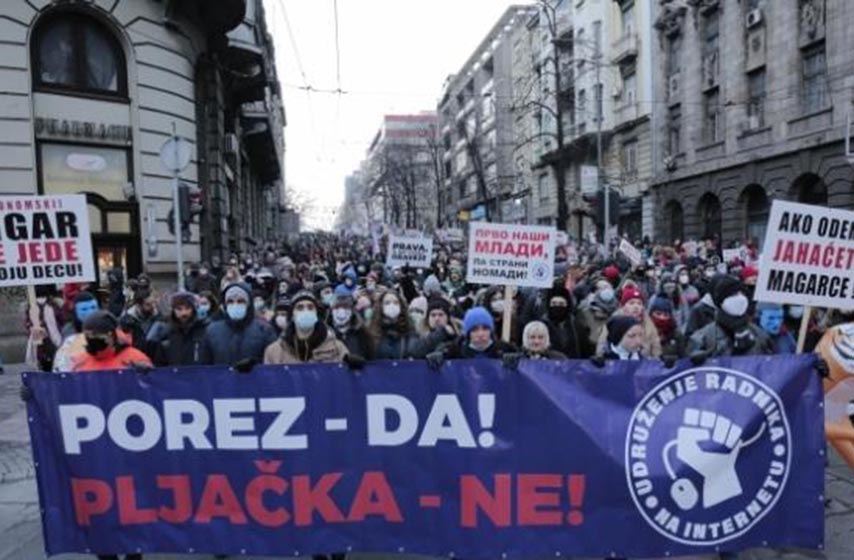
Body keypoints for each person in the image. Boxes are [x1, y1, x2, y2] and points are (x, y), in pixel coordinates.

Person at [687, 275, 771, 358]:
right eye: (733, 294)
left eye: (741, 294)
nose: (739, 298)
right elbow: (689, 361)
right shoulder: (703, 338)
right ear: (721, 302)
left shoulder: (759, 335)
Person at [200, 282, 277, 368]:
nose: (235, 305)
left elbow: (271, 366)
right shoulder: (212, 331)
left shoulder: (265, 330)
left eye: (240, 301)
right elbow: (205, 367)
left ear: (248, 304)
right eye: (230, 301)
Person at [263, 291, 352, 364]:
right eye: (300, 308)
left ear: (316, 313)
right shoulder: (274, 351)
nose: (306, 311)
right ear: (292, 314)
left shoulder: (337, 348)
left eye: (310, 307)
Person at [370, 290, 452, 359]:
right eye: (387, 303)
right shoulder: (372, 333)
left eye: (395, 302)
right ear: (380, 307)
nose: (392, 305)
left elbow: (417, 349)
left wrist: (441, 333)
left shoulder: (408, 330)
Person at [72, 311, 153, 373]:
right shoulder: (80, 362)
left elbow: (151, 387)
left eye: (97, 335)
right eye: (88, 336)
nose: (92, 338)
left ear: (111, 335)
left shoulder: (135, 359)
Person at [597, 286, 662, 358]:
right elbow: (602, 344)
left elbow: (656, 347)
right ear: (624, 306)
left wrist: (657, 363)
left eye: (639, 303)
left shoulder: (648, 322)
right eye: (631, 303)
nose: (636, 306)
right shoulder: (614, 321)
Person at [436, 306, 517, 360]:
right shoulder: (455, 351)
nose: (480, 334)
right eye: (475, 329)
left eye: (485, 328)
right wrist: (438, 357)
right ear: (468, 333)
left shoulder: (505, 350)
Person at [152, 292, 209, 367]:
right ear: (173, 310)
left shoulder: (204, 331)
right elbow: (160, 363)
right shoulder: (166, 334)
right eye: (179, 309)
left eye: (187, 308)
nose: (184, 313)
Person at [53, 291, 100, 373]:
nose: (90, 312)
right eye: (84, 309)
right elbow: (63, 359)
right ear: (75, 311)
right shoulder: (69, 331)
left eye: (93, 307)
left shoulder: (106, 326)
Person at [25, 285, 63, 372]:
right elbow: (61, 318)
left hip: (37, 335)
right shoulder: (53, 304)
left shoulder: (31, 305)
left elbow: (28, 322)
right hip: (54, 334)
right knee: (55, 354)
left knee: (41, 354)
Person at [541, 282, 583, 358]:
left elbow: (584, 349)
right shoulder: (541, 326)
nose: (557, 307)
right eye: (554, 303)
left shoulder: (576, 325)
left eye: (561, 304)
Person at [328, 293, 373, 359]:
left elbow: (371, 360)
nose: (341, 312)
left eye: (346, 307)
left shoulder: (363, 334)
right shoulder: (324, 335)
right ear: (331, 312)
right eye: (336, 308)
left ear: (352, 312)